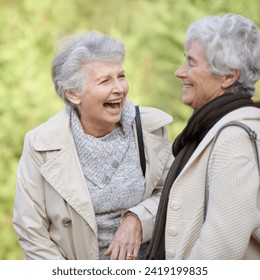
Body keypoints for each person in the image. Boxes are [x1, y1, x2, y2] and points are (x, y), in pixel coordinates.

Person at [13, 31, 173, 260]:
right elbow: (31, 230)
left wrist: (139, 218)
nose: (119, 88)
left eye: (121, 76)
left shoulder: (149, 128)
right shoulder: (41, 144)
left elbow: (173, 196)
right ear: (73, 95)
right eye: (105, 81)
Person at [146, 14, 260, 260]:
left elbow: (221, 248)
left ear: (228, 76)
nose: (180, 72)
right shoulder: (212, 127)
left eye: (191, 63)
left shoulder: (235, 138)